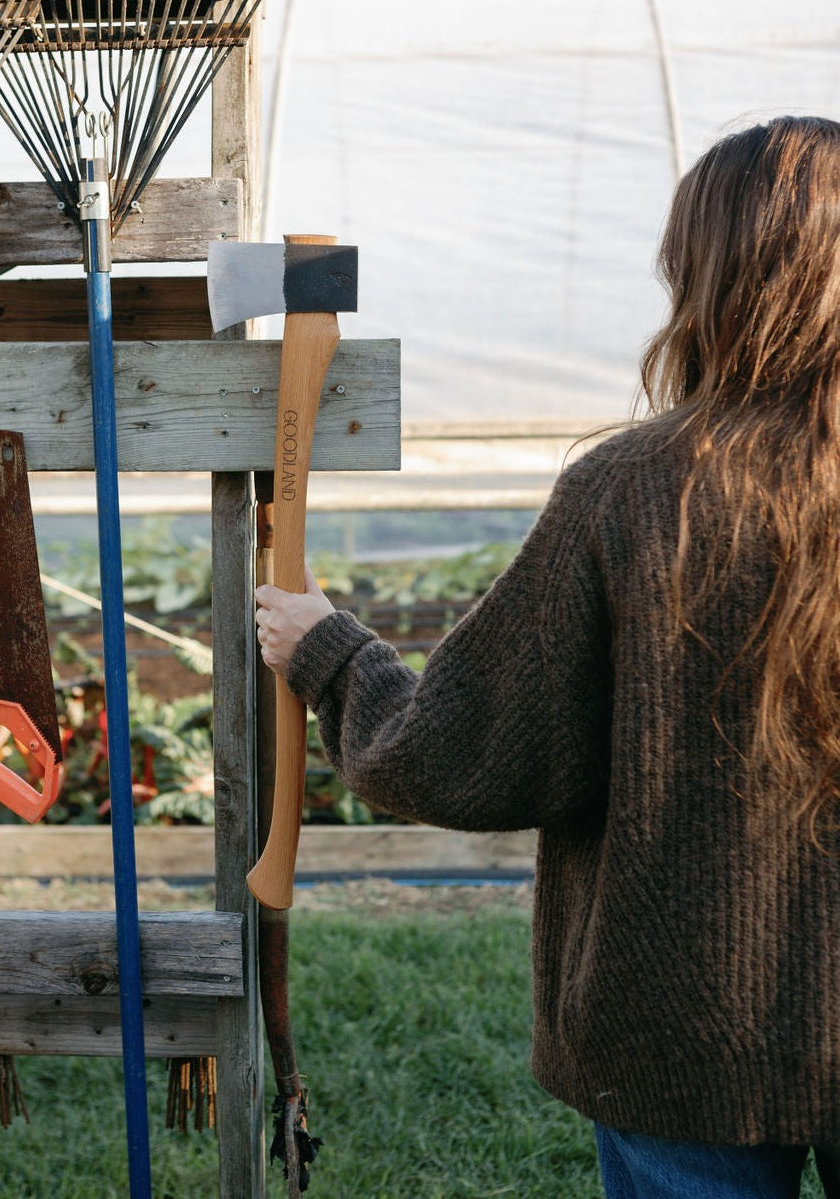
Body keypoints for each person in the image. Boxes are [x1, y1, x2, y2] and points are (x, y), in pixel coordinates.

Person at [254, 115, 840, 1199]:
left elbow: (461, 753)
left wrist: (331, 655)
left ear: (704, 273)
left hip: (678, 1025)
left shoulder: (629, 490)